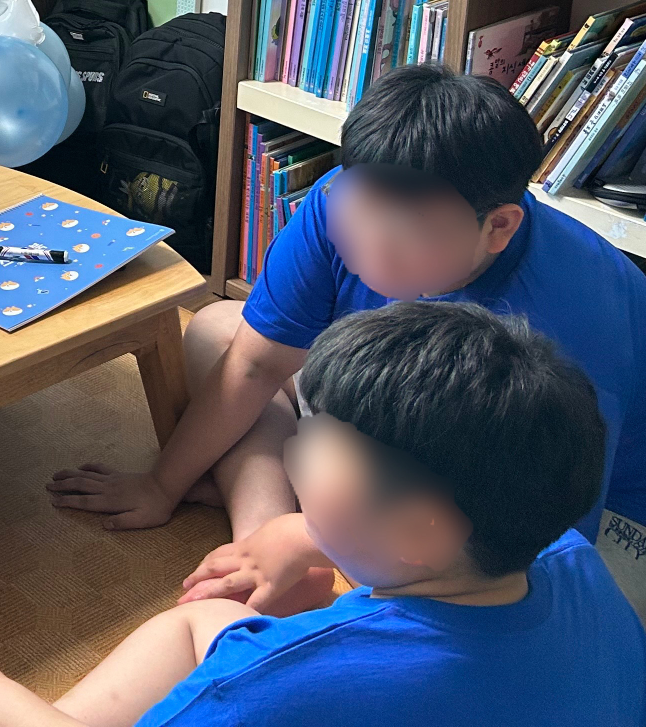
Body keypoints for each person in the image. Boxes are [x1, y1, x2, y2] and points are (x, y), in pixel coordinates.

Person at [46, 63, 646, 617]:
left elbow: (535, 538)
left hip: (545, 499)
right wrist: (161, 485)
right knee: (218, 329)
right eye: (359, 217)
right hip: (409, 417)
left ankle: (299, 549)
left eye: (406, 239)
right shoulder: (348, 193)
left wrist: (312, 536)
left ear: (499, 227)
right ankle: (260, 547)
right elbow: (254, 365)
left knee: (485, 616)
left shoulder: (568, 320)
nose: (369, 251)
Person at [0, 302, 646, 726]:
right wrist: (303, 533)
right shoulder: (566, 557)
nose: (297, 444)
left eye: (320, 440)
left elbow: (273, 685)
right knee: (199, 623)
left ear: (417, 531)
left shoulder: (268, 684)